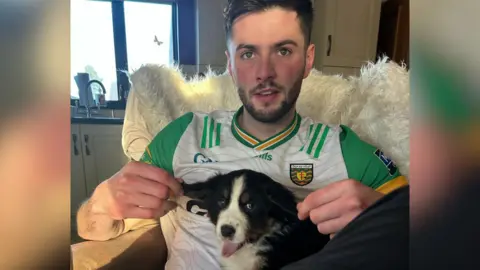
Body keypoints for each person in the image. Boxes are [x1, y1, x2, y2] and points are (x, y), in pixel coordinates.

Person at [76, 0, 409, 269]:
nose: (264, 72)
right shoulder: (183, 135)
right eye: (248, 53)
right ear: (231, 64)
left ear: (308, 60)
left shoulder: (342, 147)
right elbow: (96, 229)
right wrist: (101, 205)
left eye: (283, 51)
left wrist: (383, 218)